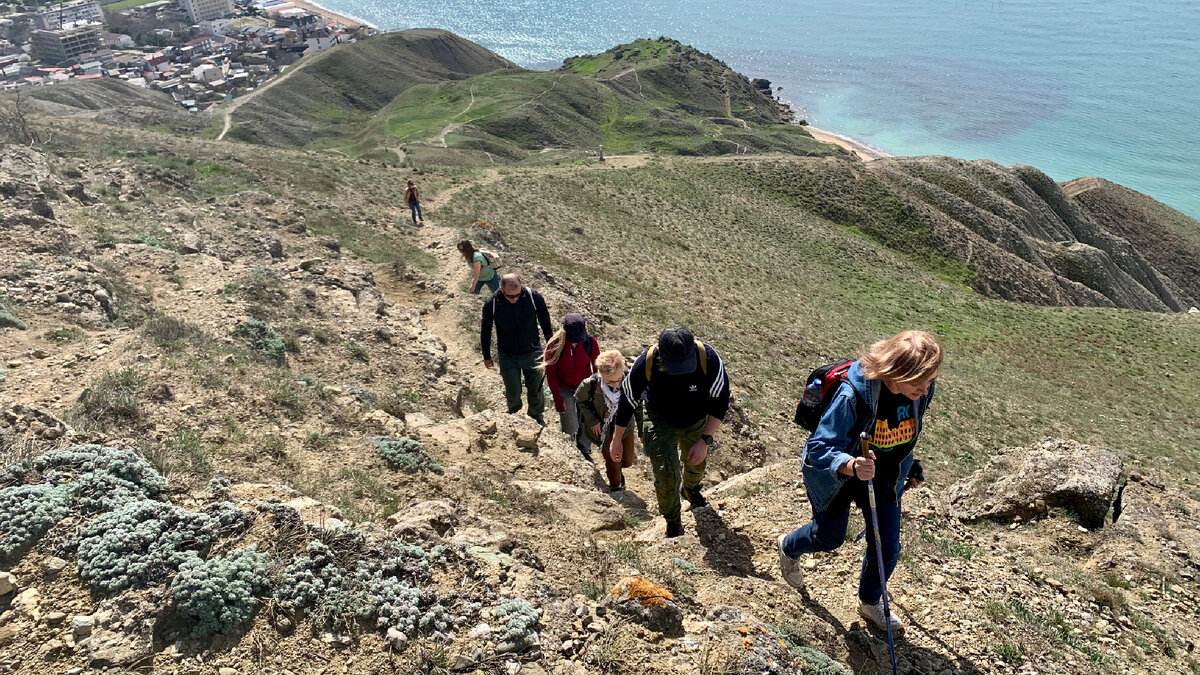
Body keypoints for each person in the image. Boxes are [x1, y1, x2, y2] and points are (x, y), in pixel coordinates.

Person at [777, 330, 941, 634]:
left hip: (884, 478)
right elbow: (819, 447)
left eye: (930, 380)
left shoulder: (921, 393)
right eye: (919, 382)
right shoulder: (853, 393)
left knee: (887, 548)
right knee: (829, 538)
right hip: (837, 477)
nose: (926, 388)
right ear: (895, 372)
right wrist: (851, 464)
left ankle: (869, 601)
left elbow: (902, 433)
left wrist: (911, 465)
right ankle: (789, 546)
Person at [609, 327, 729, 538]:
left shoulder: (708, 360)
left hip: (696, 419)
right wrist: (616, 439)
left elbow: (720, 403)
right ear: (662, 356)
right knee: (665, 472)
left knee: (696, 463)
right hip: (658, 418)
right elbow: (627, 401)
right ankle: (672, 520)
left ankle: (691, 489)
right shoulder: (646, 363)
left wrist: (704, 440)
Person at [480, 274, 553, 426]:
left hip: (532, 351)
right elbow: (485, 330)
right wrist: (486, 356)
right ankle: (513, 413)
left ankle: (536, 415)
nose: (515, 298)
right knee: (512, 390)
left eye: (518, 295)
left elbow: (545, 321)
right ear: (501, 289)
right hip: (507, 354)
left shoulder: (533, 297)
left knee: (536, 388)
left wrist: (551, 347)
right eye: (510, 296)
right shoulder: (492, 303)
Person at [576, 350, 640, 492]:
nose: (616, 385)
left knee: (627, 461)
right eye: (610, 381)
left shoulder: (630, 380)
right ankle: (616, 487)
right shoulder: (590, 384)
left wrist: (641, 430)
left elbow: (638, 405)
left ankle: (618, 475)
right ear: (601, 374)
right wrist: (592, 420)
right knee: (613, 463)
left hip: (625, 428)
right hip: (605, 432)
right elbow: (581, 401)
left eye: (618, 379)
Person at [543, 313, 600, 458]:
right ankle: (569, 452)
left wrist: (596, 391)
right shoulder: (554, 345)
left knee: (586, 421)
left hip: (584, 388)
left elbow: (597, 367)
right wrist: (557, 399)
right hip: (564, 388)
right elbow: (550, 373)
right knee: (570, 425)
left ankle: (585, 451)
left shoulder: (590, 342)